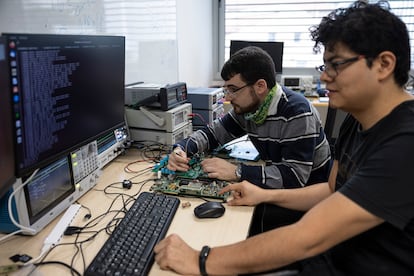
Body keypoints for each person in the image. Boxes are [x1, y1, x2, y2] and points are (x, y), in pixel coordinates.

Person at [154, 1, 414, 275]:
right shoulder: (356, 122)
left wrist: (200, 260)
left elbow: (308, 236)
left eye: (336, 65)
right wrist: (261, 193)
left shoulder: (405, 143)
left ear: (384, 64)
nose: (324, 77)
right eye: (324, 65)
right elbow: (330, 190)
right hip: (332, 257)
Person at [168, 45, 332, 235]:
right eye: (226, 90)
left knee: (237, 221)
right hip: (281, 186)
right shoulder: (251, 109)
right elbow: (213, 134)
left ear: (260, 86)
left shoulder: (296, 113)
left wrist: (237, 171)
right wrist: (182, 149)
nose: (228, 98)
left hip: (306, 200)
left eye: (233, 90)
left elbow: (294, 178)